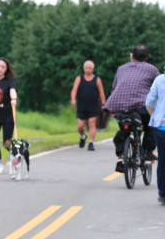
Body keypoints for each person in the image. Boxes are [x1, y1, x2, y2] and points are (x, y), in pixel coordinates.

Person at [103, 44, 159, 172]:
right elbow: (158, 89)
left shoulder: (121, 68)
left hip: (119, 106)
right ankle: (148, 152)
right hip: (141, 106)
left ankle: (121, 156)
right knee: (151, 124)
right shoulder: (152, 69)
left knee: (125, 127)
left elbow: (114, 88)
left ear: (132, 56)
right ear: (147, 57)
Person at [70, 60, 106, 151]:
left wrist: (103, 103)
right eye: (86, 68)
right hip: (82, 106)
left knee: (92, 123)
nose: (88, 69)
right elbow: (74, 90)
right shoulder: (79, 78)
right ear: (84, 69)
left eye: (90, 68)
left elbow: (101, 92)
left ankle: (91, 142)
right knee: (80, 126)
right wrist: (73, 99)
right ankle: (83, 136)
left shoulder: (97, 79)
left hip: (93, 106)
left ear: (92, 69)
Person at [146, 73, 165, 205]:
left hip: (161, 127)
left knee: (163, 161)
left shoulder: (159, 79)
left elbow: (149, 102)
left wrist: (154, 115)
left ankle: (163, 193)